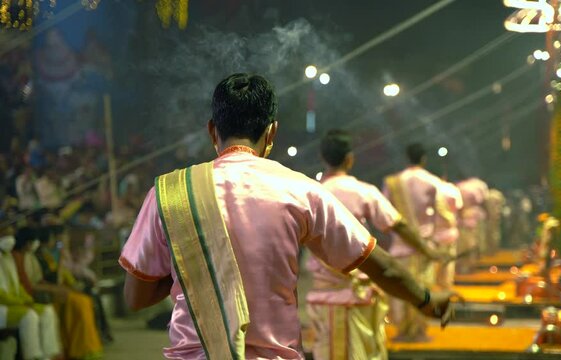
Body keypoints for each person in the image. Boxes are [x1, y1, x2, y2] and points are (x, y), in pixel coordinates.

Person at [120, 73, 459, 359]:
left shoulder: (169, 193)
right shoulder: (300, 190)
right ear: (271, 133)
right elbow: (377, 264)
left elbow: (136, 297)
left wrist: (192, 265)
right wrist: (427, 300)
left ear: (212, 131)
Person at [306, 129, 445, 359]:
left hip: (325, 299)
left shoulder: (309, 192)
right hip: (362, 293)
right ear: (350, 159)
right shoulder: (364, 191)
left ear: (323, 158)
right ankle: (416, 332)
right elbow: (398, 225)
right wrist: (427, 250)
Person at [382, 142, 444, 342]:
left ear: (406, 158)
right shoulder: (433, 182)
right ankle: (418, 331)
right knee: (422, 289)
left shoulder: (394, 182)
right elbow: (438, 215)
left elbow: (386, 215)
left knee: (400, 290)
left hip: (400, 245)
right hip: (423, 247)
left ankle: (403, 331)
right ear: (424, 158)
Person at [13, 226, 103, 359]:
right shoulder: (29, 257)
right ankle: (75, 348)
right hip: (39, 295)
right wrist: (56, 287)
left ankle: (84, 347)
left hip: (52, 291)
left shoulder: (39, 256)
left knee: (84, 301)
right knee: (78, 303)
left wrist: (65, 285)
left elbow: (45, 279)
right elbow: (34, 283)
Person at [0, 226, 62, 360]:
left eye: (11, 235)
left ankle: (47, 355)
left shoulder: (8, 256)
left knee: (47, 311)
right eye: (5, 235)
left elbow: (17, 286)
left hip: (14, 305)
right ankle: (33, 356)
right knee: (30, 316)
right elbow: (2, 294)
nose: (10, 239)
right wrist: (21, 302)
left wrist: (27, 299)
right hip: (3, 308)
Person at [432, 181, 463, 290]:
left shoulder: (429, 186)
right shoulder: (452, 189)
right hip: (449, 232)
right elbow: (459, 208)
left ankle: (435, 291)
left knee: (433, 266)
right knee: (448, 264)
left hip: (432, 234)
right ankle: (446, 289)